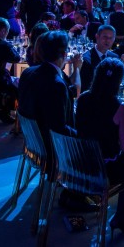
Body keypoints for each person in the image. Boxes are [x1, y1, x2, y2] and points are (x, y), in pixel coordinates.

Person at [76, 57, 124, 237]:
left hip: (81, 165)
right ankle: (121, 215)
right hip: (103, 170)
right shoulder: (120, 107)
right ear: (119, 81)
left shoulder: (82, 99)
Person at [18, 31, 76, 173]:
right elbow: (59, 129)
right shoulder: (56, 84)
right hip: (52, 149)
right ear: (64, 54)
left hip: (32, 144)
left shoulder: (27, 73)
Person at [80, 25, 124, 93]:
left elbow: (117, 82)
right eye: (105, 37)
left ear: (114, 39)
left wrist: (121, 68)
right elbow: (85, 87)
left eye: (111, 38)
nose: (107, 40)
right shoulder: (87, 59)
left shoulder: (114, 57)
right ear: (97, 36)